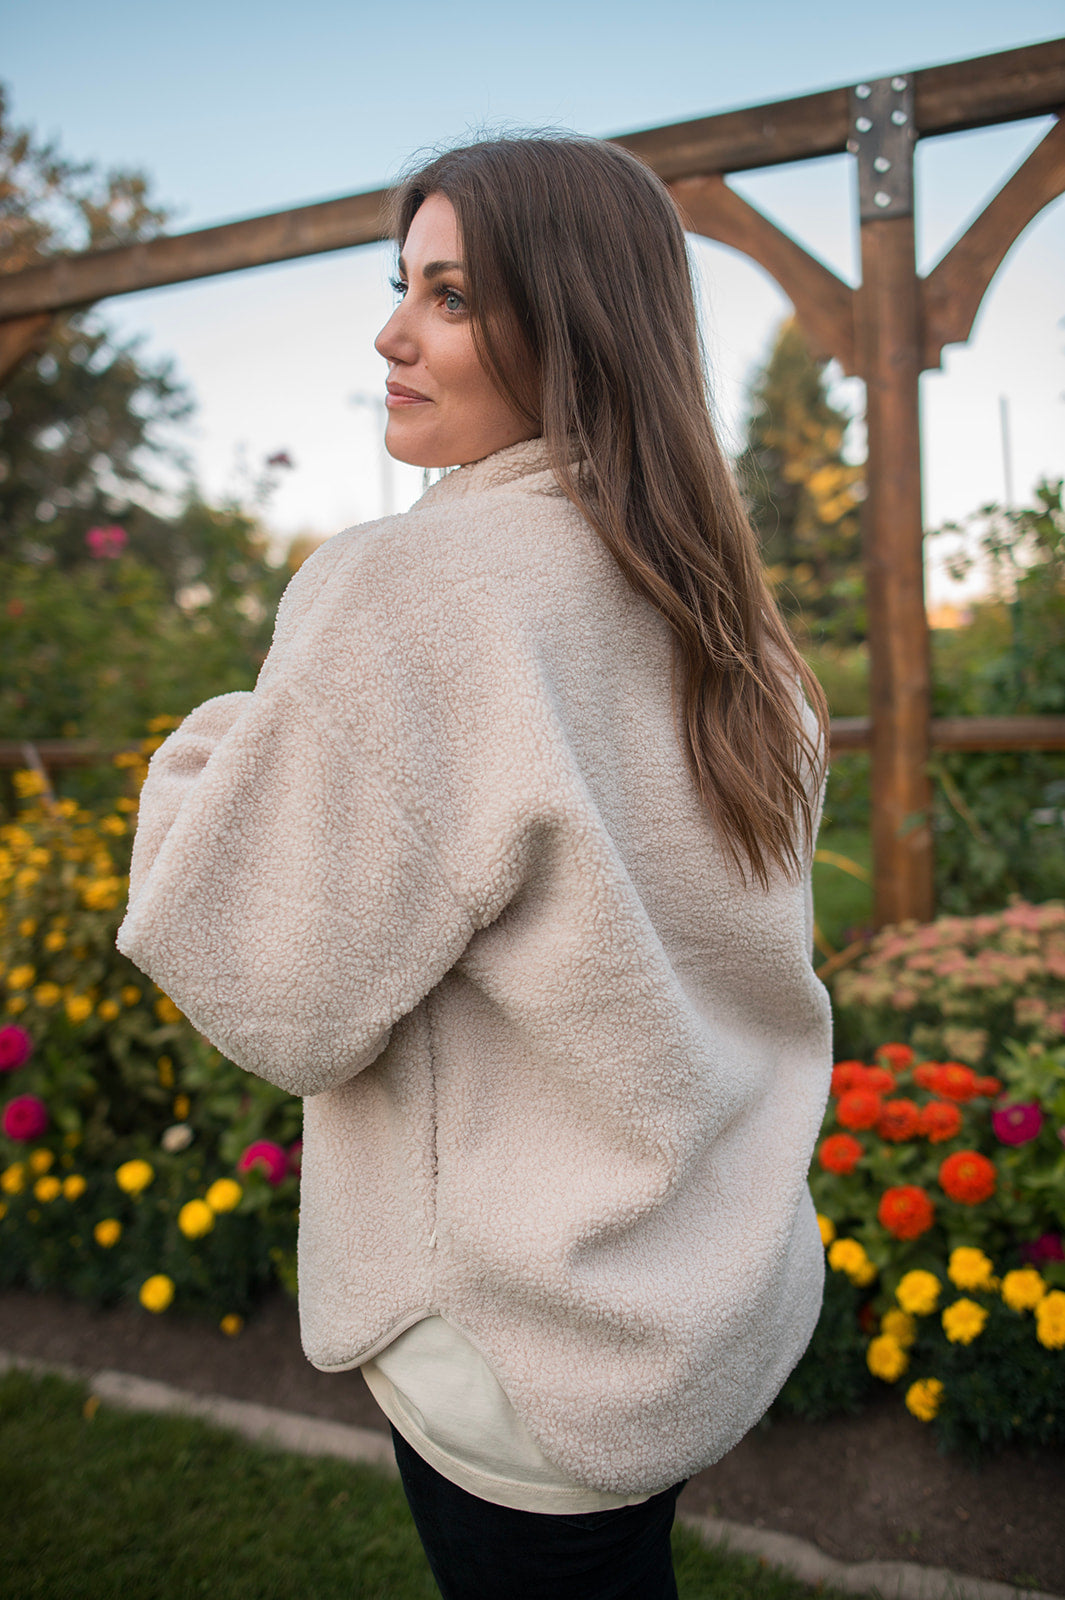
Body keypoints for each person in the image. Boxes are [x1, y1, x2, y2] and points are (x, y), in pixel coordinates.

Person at [116, 134, 833, 1600]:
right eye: (400, 286)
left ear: (572, 325)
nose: (391, 334)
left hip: (519, 1336)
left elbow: (275, 992)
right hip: (700, 1286)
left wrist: (212, 750)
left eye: (448, 296)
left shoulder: (415, 590)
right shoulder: (724, 612)